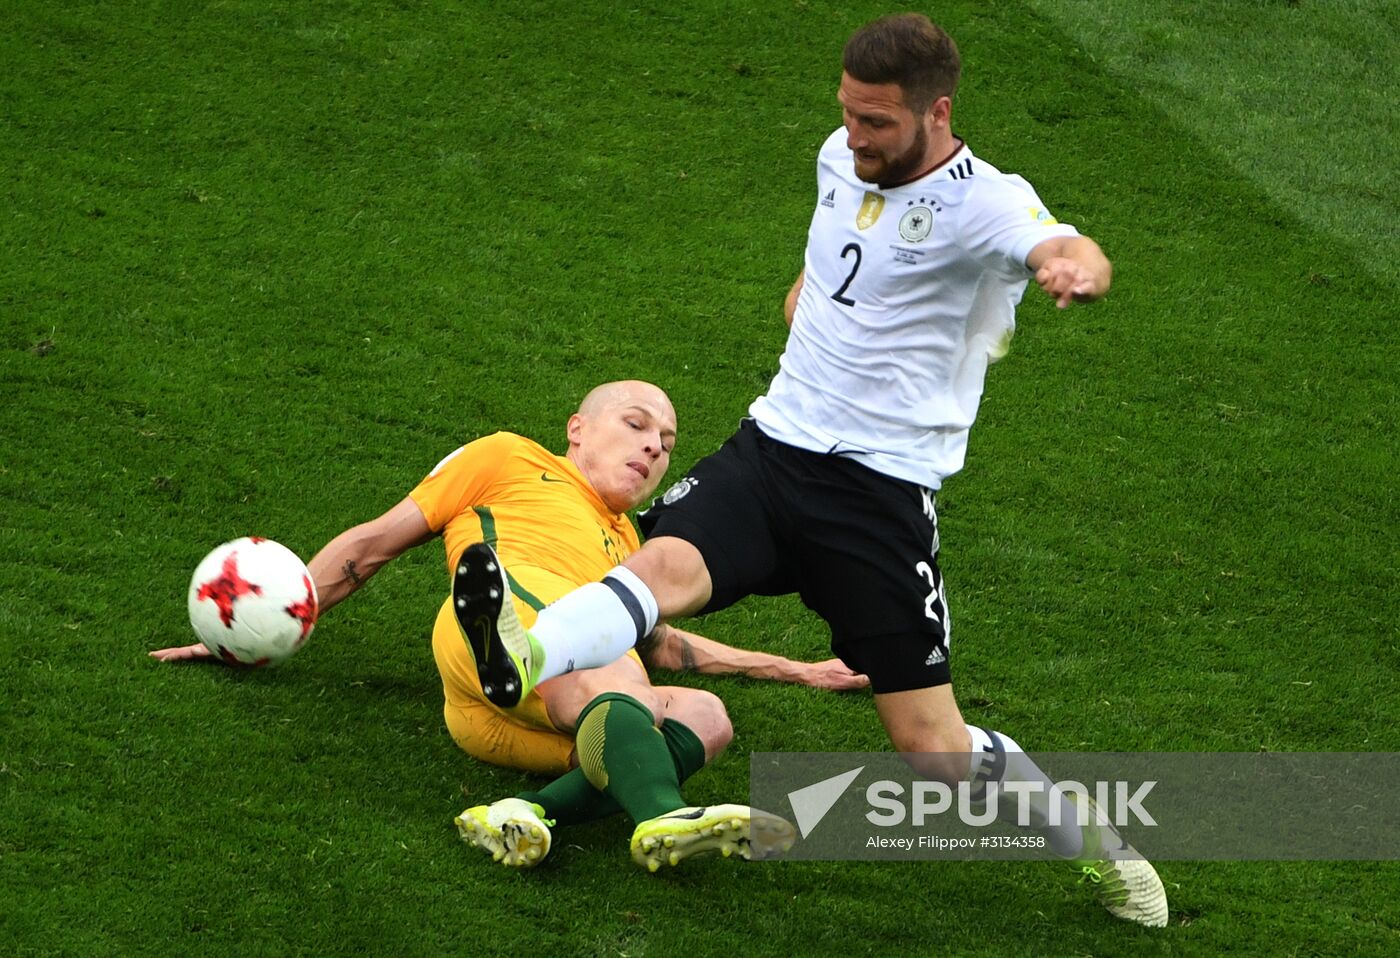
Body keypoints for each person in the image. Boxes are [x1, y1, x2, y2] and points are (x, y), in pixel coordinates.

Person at [451, 15, 1168, 927]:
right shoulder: (841, 155)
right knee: (656, 573)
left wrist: (1078, 273)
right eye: (848, 114)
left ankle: (1092, 839)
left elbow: (1062, 246)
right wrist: (813, 298)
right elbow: (831, 246)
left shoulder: (985, 201)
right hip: (773, 449)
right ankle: (522, 652)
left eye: (876, 123)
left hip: (876, 497)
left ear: (936, 113)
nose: (854, 137)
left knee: (933, 750)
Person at [153, 380, 865, 870]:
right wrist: (270, 624)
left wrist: (797, 669)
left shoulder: (636, 547)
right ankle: (660, 816)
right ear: (577, 429)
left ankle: (528, 814)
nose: (654, 448)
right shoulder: (507, 458)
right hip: (487, 625)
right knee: (605, 651)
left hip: (506, 720)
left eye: (668, 443)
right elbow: (372, 547)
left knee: (707, 719)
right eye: (637, 424)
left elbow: (668, 644)